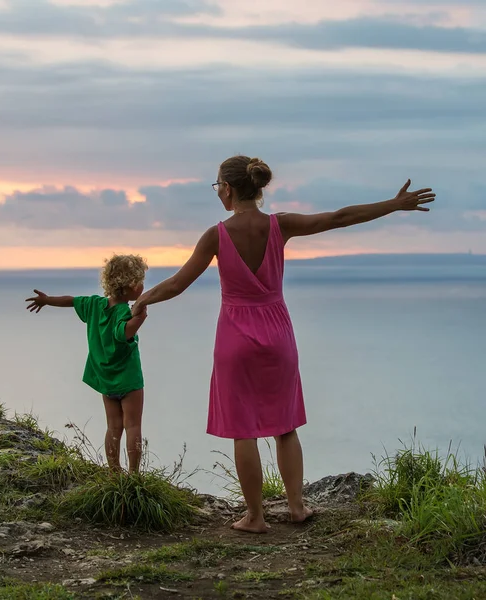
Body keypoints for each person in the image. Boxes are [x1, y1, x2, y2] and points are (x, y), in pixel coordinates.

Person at [131, 155, 435, 533]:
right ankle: (296, 506)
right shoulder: (280, 225)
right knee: (285, 425)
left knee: (244, 429)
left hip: (234, 335)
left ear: (227, 189)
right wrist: (394, 204)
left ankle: (255, 517)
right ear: (257, 186)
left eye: (217, 187)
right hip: (277, 332)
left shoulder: (216, 235)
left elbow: (177, 284)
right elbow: (338, 218)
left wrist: (144, 300)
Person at [25, 254, 149, 474]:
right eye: (141, 281)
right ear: (132, 285)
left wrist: (47, 300)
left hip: (105, 379)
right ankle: (134, 473)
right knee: (133, 426)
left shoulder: (94, 304)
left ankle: (113, 470)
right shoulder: (124, 312)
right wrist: (139, 317)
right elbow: (123, 333)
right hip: (128, 380)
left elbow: (71, 300)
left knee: (113, 426)